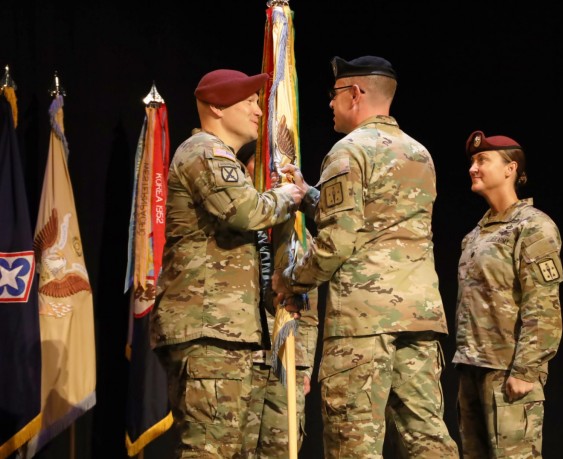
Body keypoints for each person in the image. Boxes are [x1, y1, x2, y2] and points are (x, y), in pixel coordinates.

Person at [272, 55, 459, 458]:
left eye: (334, 94)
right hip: (419, 318)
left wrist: (290, 279)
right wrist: (309, 198)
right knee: (427, 439)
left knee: (353, 443)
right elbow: (379, 220)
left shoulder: (349, 151)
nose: (330, 104)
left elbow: (337, 242)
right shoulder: (419, 153)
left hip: (363, 323)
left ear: (355, 94)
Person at [149, 68, 304, 458]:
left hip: (227, 332)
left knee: (232, 449)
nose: (257, 110)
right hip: (207, 330)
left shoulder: (224, 158)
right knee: (210, 449)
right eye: (249, 100)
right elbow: (245, 211)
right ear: (217, 106)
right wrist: (289, 195)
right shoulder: (204, 150)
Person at [453, 130, 563, 458]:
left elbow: (543, 304)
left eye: (482, 160)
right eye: (472, 161)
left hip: (507, 373)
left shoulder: (532, 227)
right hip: (472, 369)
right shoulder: (474, 235)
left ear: (509, 169)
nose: (473, 167)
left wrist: (526, 371)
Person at [235, 142, 320, 458]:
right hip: (243, 359)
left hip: (286, 361)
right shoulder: (237, 229)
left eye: (274, 170)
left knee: (282, 450)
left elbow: (309, 309)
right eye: (259, 168)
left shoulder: (299, 236)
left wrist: (305, 364)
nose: (268, 177)